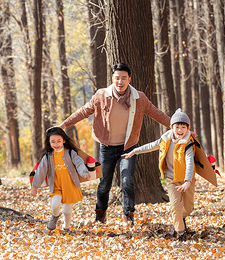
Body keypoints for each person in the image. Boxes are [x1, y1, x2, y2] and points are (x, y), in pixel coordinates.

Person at [58, 63, 170, 224]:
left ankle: (128, 214)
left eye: (124, 78)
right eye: (117, 78)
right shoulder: (101, 95)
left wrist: (178, 126)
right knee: (104, 184)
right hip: (107, 147)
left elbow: (157, 113)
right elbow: (83, 111)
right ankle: (100, 213)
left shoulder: (139, 98)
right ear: (112, 79)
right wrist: (64, 125)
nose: (120, 81)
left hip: (128, 147)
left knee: (127, 180)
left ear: (129, 79)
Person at [122, 108, 195, 241]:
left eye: (183, 127)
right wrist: (134, 151)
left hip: (187, 179)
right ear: (171, 127)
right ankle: (180, 232)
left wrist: (188, 181)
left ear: (188, 128)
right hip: (171, 179)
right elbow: (151, 146)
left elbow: (190, 163)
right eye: (177, 127)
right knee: (175, 206)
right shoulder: (165, 139)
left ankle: (180, 219)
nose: (180, 130)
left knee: (188, 208)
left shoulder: (189, 143)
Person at [31, 127, 91, 231]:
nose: (56, 144)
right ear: (49, 142)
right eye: (53, 142)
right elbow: (41, 171)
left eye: (59, 141)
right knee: (55, 205)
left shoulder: (70, 153)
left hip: (70, 186)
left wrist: (84, 173)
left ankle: (66, 228)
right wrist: (35, 187)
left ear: (64, 140)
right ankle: (55, 216)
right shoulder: (48, 156)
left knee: (67, 211)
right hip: (56, 187)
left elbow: (79, 163)